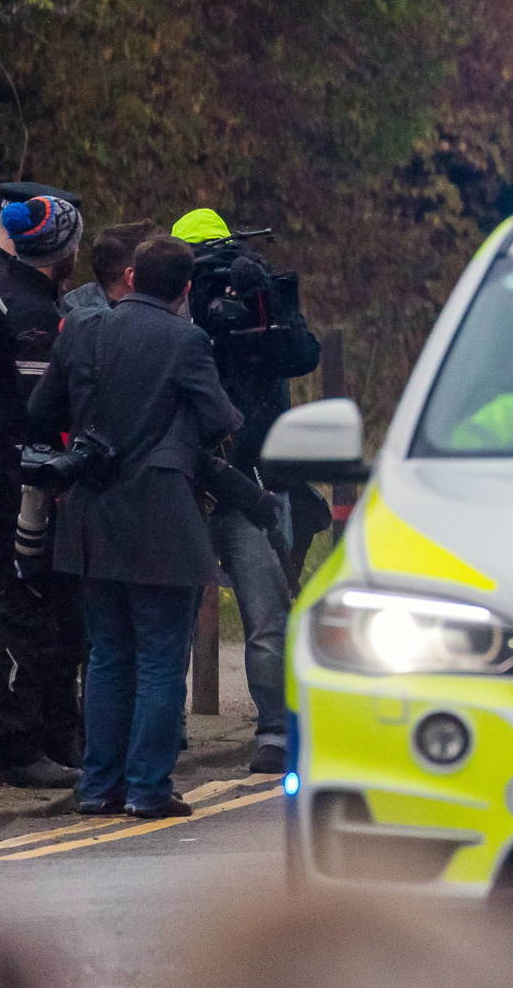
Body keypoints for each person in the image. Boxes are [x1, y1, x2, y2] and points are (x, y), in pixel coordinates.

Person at [24, 235, 240, 819]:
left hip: (92, 513)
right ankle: (147, 789)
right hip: (162, 518)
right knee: (160, 657)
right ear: (186, 289)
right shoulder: (186, 340)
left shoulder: (85, 331)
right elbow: (220, 418)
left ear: (131, 276)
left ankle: (98, 786)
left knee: (108, 655)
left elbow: (42, 410)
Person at [171, 207, 318, 773]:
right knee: (179, 614)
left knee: (266, 612)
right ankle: (170, 728)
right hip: (191, 473)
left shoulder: (260, 296)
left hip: (253, 475)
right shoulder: (174, 305)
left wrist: (271, 310)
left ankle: (276, 730)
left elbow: (303, 356)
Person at [0, 195, 87, 786]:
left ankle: (44, 732)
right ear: (64, 250)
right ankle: (18, 741)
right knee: (27, 608)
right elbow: (41, 409)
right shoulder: (31, 312)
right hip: (15, 476)